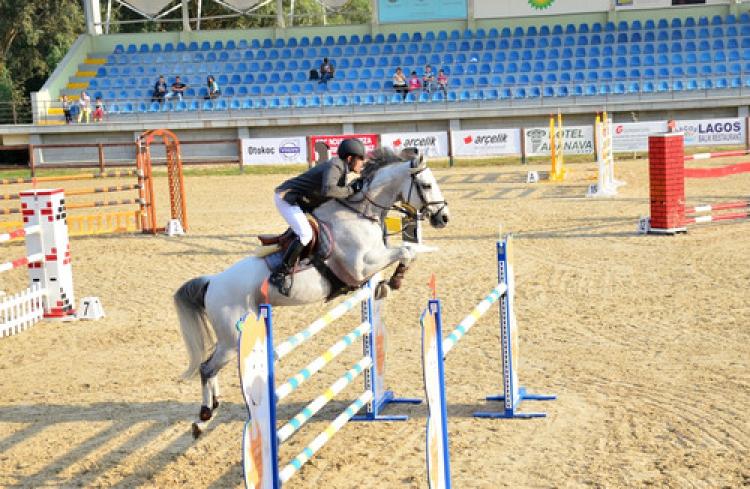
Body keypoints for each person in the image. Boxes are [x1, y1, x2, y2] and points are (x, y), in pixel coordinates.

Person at [270, 138, 367, 295]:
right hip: (287, 198)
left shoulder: (341, 169)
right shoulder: (336, 165)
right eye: (361, 159)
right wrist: (350, 190)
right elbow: (328, 190)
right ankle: (279, 273)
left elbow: (337, 195)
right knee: (306, 234)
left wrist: (353, 189)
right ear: (350, 158)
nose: (363, 162)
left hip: (302, 201)